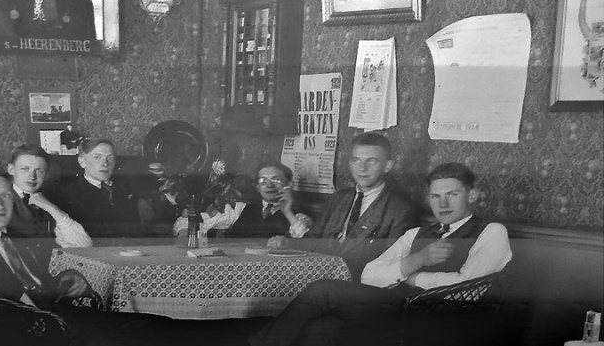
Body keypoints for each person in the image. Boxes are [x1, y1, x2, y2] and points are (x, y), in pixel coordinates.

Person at [0, 164, 267, 346]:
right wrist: (48, 308)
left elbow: (29, 283)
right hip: (27, 332)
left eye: (4, 196)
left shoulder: (12, 236)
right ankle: (244, 334)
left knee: (152, 323)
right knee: (141, 334)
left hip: (53, 317)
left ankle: (245, 331)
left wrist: (65, 280)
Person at [246, 162, 513, 346]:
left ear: (472, 195)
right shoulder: (416, 233)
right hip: (397, 312)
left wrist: (412, 277)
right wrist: (417, 261)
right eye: (435, 196)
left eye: (452, 194)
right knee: (322, 329)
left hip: (440, 321)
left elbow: (468, 289)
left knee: (322, 290)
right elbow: (370, 275)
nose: (443, 203)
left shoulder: (491, 231)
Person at [274, 132, 419, 278]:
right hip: (320, 276)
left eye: (372, 161)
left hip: (359, 284)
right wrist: (287, 243)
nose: (362, 168)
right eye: (356, 160)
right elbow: (313, 241)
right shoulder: (337, 198)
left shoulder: (400, 210)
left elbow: (389, 264)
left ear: (387, 166)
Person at [173, 161, 313, 240]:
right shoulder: (245, 208)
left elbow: (308, 245)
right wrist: (185, 231)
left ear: (290, 184)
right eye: (263, 181)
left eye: (276, 180)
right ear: (257, 187)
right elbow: (194, 220)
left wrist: (287, 212)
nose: (269, 185)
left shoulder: (299, 215)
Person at [54, 138, 156, 239]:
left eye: (111, 158)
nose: (105, 163)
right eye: (97, 157)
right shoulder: (70, 194)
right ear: (82, 162)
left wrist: (141, 200)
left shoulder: (125, 185)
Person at [6, 144, 91, 260]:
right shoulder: (1, 200)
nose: (32, 176)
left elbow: (84, 245)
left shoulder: (52, 200)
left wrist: (50, 207)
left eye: (39, 171)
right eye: (25, 169)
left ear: (47, 175)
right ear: (11, 170)